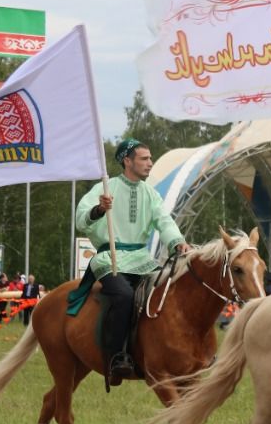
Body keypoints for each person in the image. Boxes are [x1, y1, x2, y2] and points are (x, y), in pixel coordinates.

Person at [74, 139, 190, 384]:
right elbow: (81, 220)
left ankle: (170, 350)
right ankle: (117, 359)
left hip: (142, 259)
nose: (150, 163)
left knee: (169, 290)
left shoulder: (151, 193)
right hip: (110, 258)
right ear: (127, 161)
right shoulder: (105, 188)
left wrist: (176, 242)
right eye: (144, 158)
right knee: (124, 296)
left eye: (150, 158)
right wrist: (98, 209)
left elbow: (164, 221)